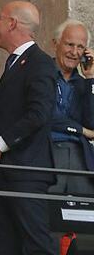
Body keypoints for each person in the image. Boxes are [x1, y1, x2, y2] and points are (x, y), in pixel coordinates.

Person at [0, 1, 56, 255]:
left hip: (26, 174)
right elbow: (9, 116)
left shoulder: (40, 63)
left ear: (12, 23)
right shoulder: (14, 62)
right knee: (2, 246)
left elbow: (38, 114)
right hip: (1, 176)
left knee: (36, 246)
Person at [47, 19, 94, 194]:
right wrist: (82, 130)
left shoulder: (85, 84)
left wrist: (91, 79)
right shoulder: (41, 74)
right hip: (47, 152)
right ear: (55, 44)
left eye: (80, 47)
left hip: (79, 157)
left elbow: (93, 124)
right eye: (69, 44)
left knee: (82, 215)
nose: (74, 52)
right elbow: (45, 116)